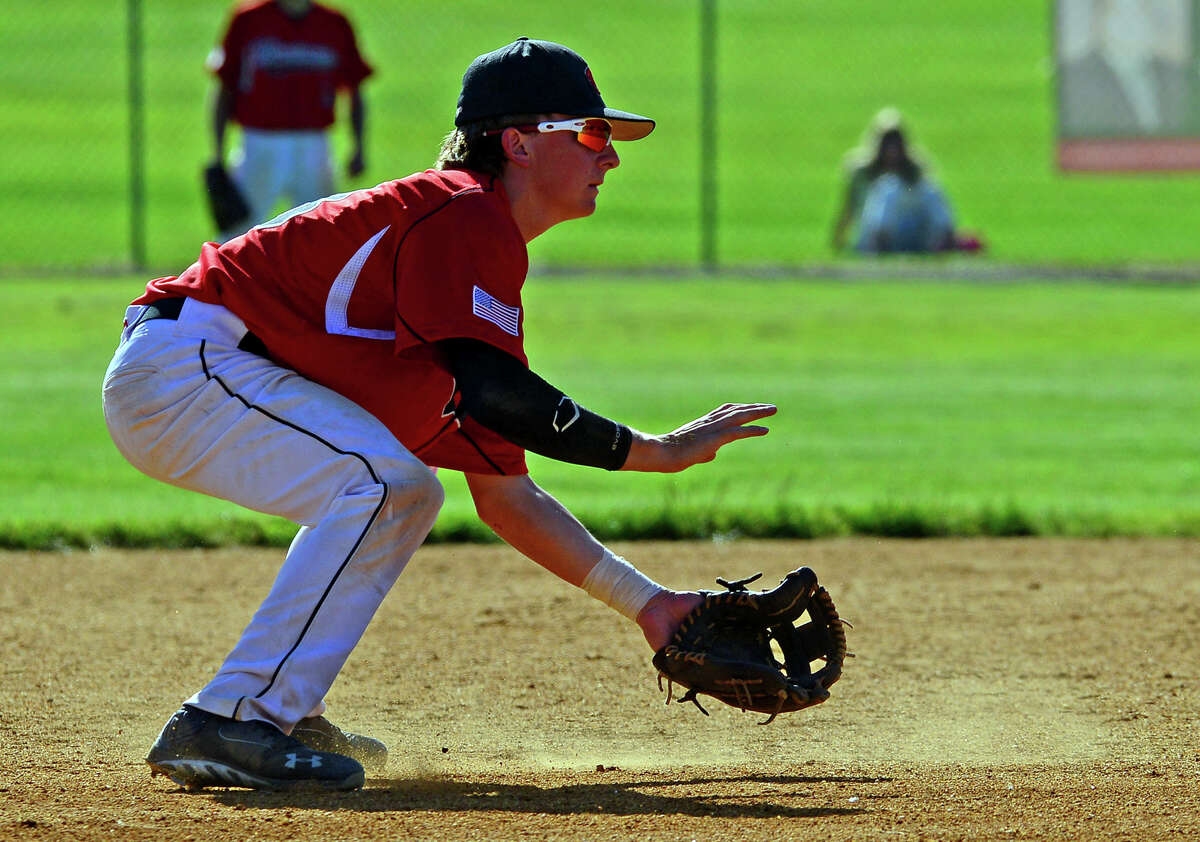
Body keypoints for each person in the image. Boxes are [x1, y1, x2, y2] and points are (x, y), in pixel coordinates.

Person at [103, 37, 776, 793]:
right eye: (590, 133)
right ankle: (232, 719)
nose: (609, 155)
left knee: (404, 490)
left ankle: (275, 713)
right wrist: (651, 451)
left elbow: (507, 496)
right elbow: (493, 390)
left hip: (206, 370)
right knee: (383, 486)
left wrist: (653, 607)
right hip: (188, 367)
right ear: (518, 144)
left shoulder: (471, 254)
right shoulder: (460, 213)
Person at [206, 0, 373, 239]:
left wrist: (358, 147)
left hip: (314, 144)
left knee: (321, 235)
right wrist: (218, 152)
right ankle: (221, 278)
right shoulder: (248, 19)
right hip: (259, 142)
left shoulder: (334, 22)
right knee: (236, 235)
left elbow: (354, 90)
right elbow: (224, 87)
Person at [831, 108, 979, 255]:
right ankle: (883, 248)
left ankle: (943, 241)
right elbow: (848, 209)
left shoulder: (914, 171)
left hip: (908, 230)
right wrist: (840, 240)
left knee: (930, 190)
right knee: (888, 189)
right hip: (873, 233)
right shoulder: (862, 173)